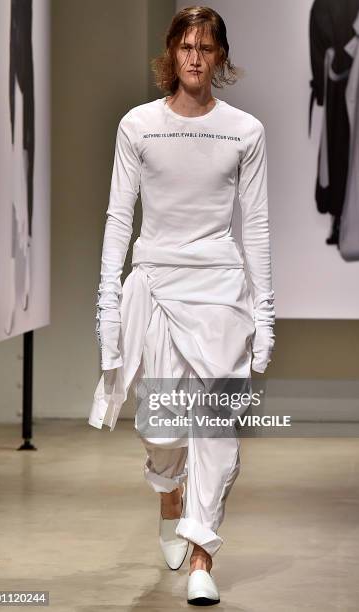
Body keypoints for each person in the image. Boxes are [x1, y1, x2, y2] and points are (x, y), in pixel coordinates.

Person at [89, 6, 276, 606]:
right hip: (156, 284)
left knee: (216, 426)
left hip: (221, 289)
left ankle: (202, 554)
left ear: (220, 56)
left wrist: (265, 313)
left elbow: (259, 228)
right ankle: (170, 499)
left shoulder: (244, 130)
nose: (195, 57)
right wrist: (107, 307)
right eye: (185, 46)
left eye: (206, 47)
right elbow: (119, 218)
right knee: (164, 427)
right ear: (171, 53)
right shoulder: (138, 126)